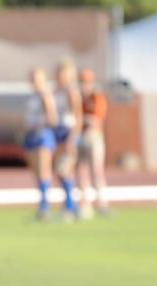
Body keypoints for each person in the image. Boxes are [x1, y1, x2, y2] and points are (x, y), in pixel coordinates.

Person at [23, 67, 58, 220]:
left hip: (43, 135)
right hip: (32, 136)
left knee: (44, 171)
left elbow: (52, 117)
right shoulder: (33, 96)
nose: (33, 81)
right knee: (36, 173)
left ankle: (46, 207)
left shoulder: (46, 95)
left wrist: (40, 124)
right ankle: (42, 206)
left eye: (36, 78)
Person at [76, 67, 110, 218]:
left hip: (94, 138)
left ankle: (102, 203)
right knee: (82, 172)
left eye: (87, 82)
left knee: (96, 170)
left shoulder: (97, 98)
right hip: (80, 138)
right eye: (82, 82)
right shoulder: (78, 99)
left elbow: (95, 120)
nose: (85, 86)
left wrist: (82, 121)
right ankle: (85, 204)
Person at [52, 58, 82, 220]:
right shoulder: (56, 90)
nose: (60, 76)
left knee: (64, 169)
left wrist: (73, 137)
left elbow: (78, 116)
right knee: (60, 171)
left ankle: (70, 207)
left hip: (69, 132)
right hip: (58, 133)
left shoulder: (72, 91)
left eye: (63, 73)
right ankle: (72, 206)